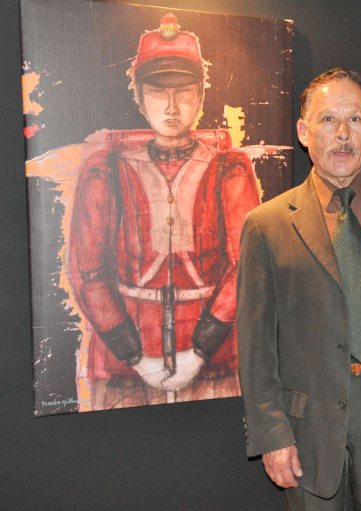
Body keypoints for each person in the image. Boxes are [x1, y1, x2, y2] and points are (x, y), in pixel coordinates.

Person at [237, 68, 361, 511]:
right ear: (304, 132)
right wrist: (271, 435)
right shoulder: (266, 225)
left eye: (354, 119)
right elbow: (255, 345)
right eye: (328, 119)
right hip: (308, 421)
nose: (342, 134)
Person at [68, 14, 260, 409]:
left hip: (214, 367)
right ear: (139, 97)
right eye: (157, 91)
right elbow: (87, 273)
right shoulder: (107, 170)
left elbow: (246, 265)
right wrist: (136, 356)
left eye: (184, 91)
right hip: (124, 373)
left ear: (200, 96)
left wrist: (199, 351)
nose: (172, 107)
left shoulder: (230, 170)